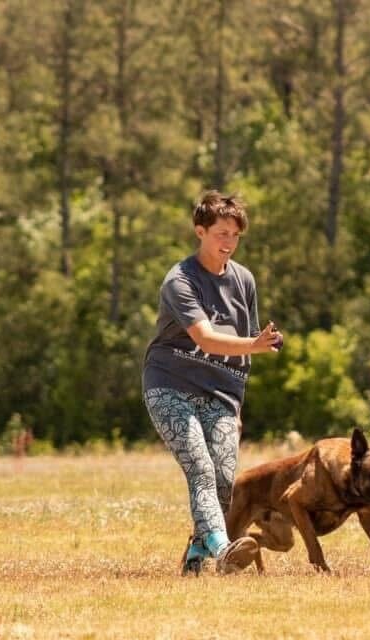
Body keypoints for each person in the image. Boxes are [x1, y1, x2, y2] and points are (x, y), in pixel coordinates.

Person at [142, 191, 283, 576]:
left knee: (224, 480)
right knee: (201, 470)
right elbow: (205, 338)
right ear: (200, 231)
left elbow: (243, 350)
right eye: (221, 233)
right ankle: (223, 549)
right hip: (170, 385)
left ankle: (197, 549)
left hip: (220, 393)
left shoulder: (244, 280)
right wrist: (255, 344)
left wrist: (236, 407)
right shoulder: (180, 281)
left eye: (235, 236)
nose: (229, 243)